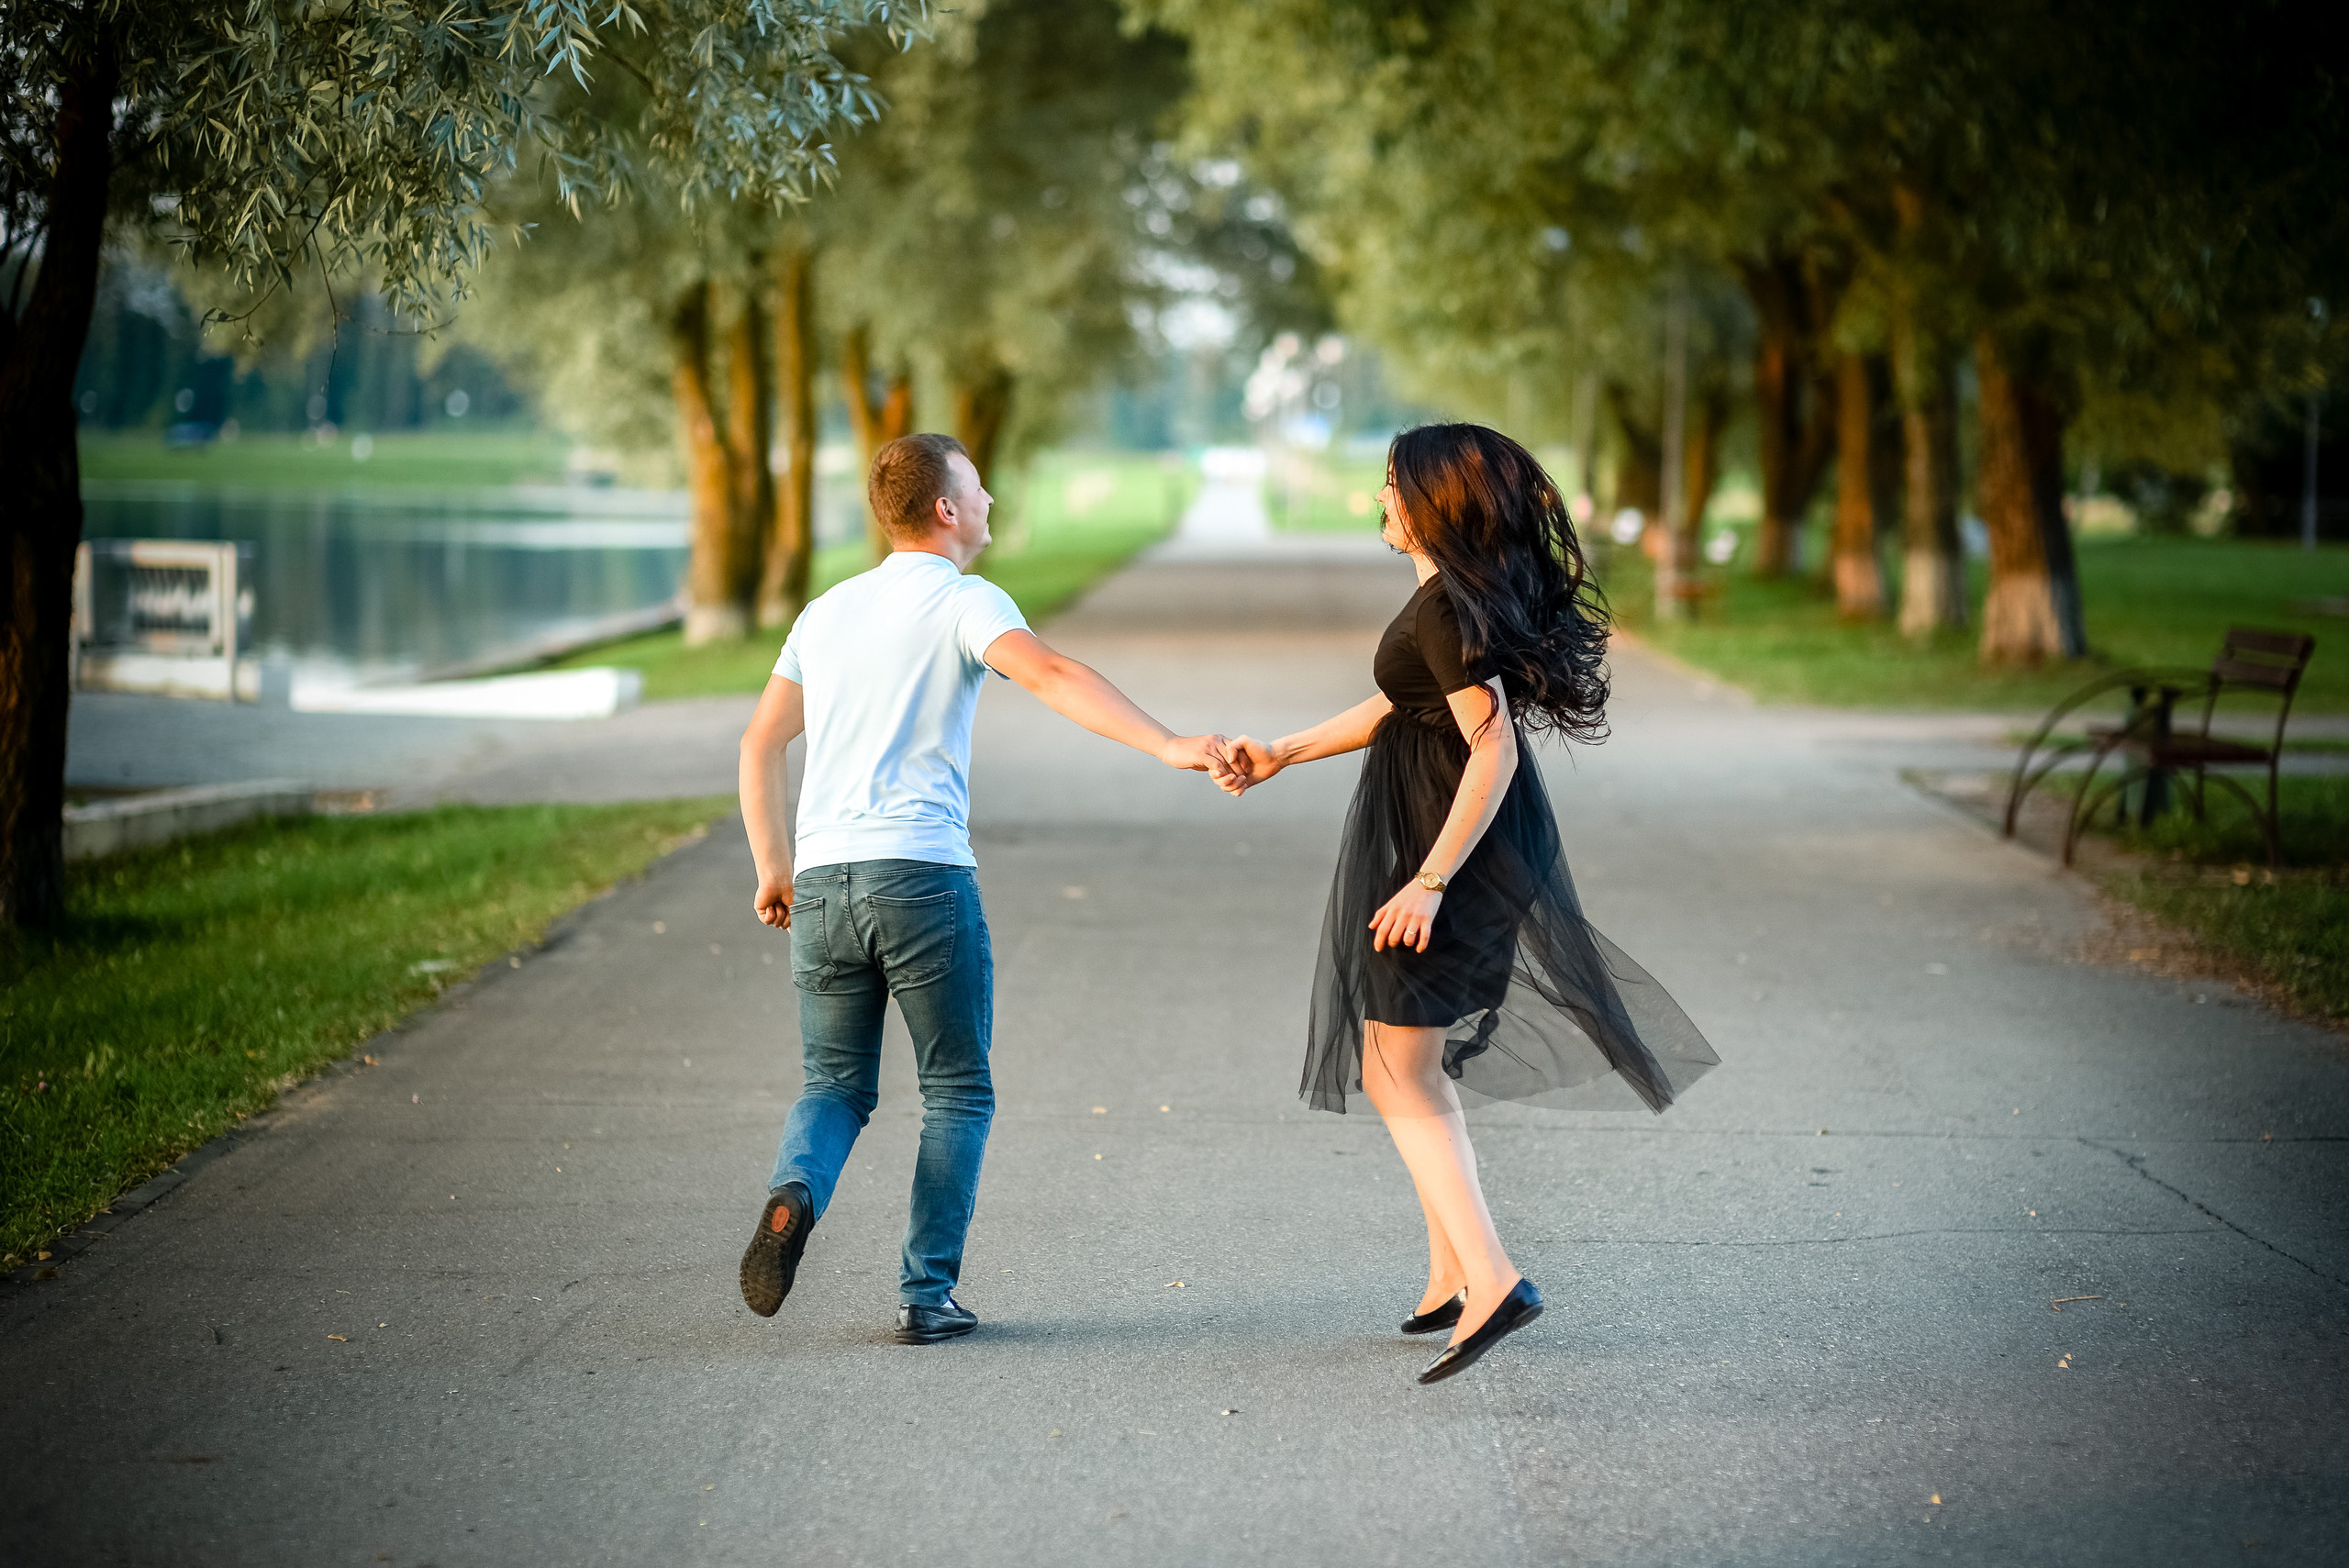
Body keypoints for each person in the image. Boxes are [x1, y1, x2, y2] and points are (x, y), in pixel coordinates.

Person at [1219, 423, 1717, 1385]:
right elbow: (1402, 705)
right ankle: (1452, 1268)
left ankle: (1492, 1278)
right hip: (1435, 834)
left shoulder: (1449, 607)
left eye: (1391, 488)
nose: (1379, 501)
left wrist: (1432, 878)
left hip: (1456, 849)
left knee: (1399, 1064)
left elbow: (1491, 748)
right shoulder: (1442, 597)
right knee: (1398, 1057)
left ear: (1435, 502)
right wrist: (1281, 750)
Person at [736, 432, 1230, 1344]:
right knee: (957, 1089)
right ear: (946, 509)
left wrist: (774, 864)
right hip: (920, 876)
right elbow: (1049, 673)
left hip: (820, 877)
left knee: (834, 1086)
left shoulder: (826, 612)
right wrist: (1168, 743)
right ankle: (925, 1295)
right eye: (977, 486)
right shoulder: (961, 599)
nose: (991, 497)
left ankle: (792, 1193)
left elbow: (761, 741)